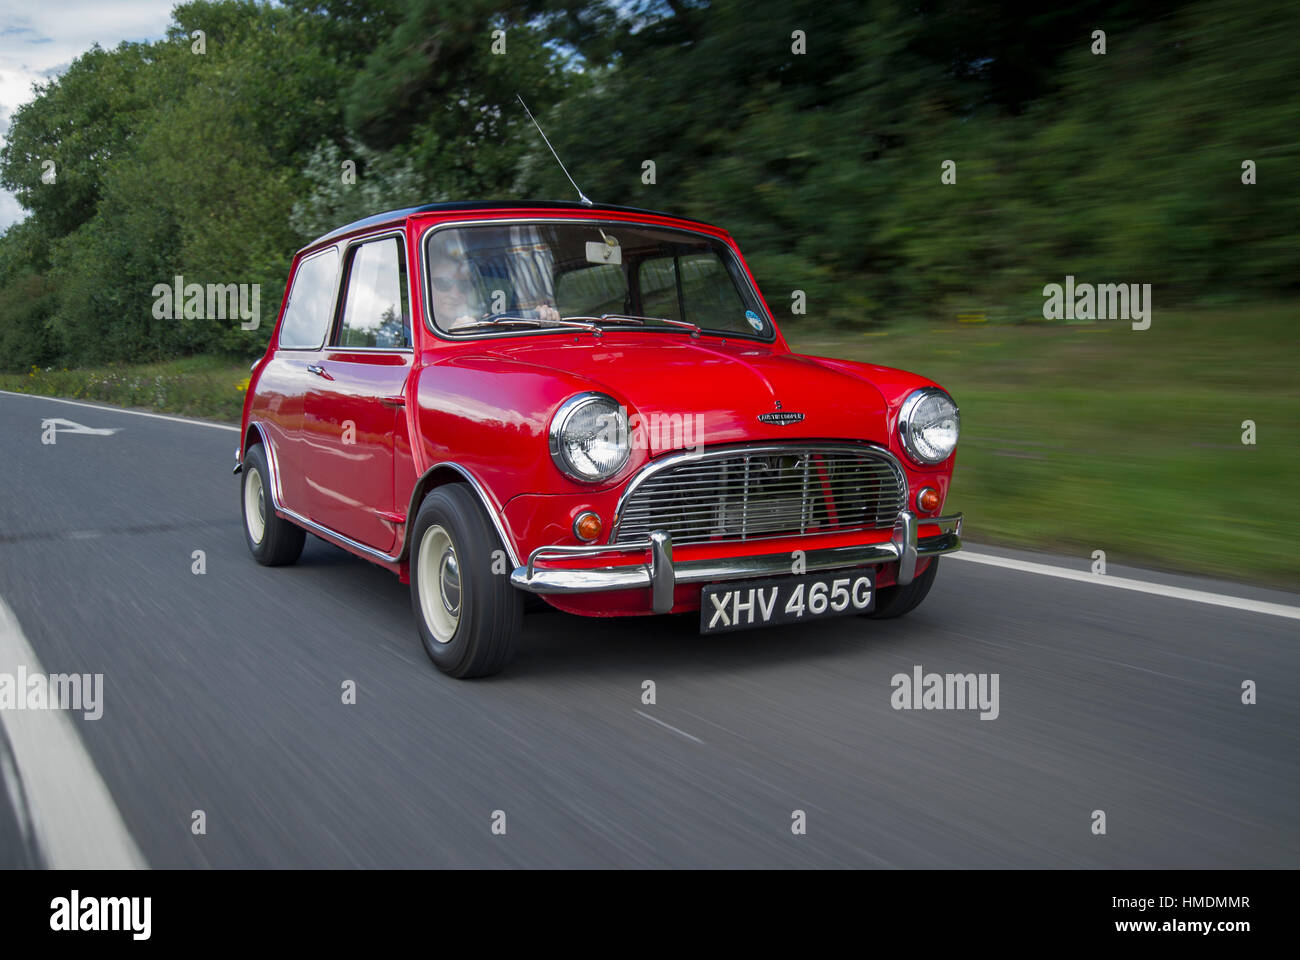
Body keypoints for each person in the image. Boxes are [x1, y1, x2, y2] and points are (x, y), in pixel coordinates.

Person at [429, 237, 561, 332]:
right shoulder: (410, 334)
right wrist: (456, 335)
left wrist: (543, 317)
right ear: (427, 287)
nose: (455, 294)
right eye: (444, 283)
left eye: (463, 285)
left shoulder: (484, 320)